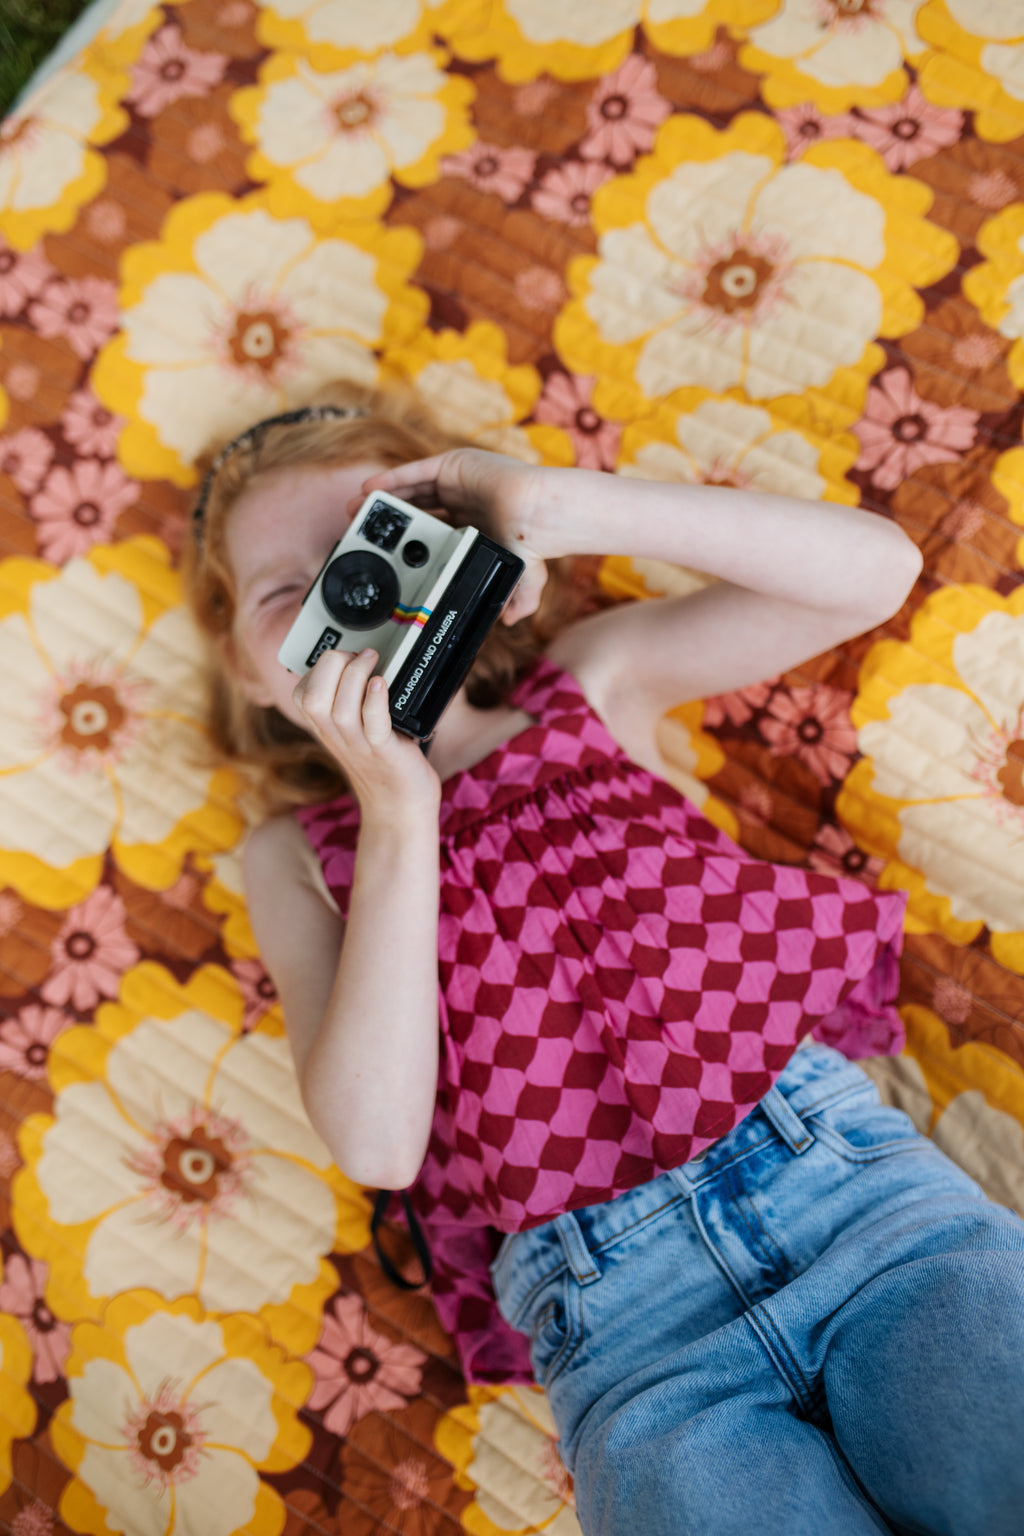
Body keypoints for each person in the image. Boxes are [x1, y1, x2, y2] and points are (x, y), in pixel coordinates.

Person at [185, 381, 1024, 1536]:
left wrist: (553, 505)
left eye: (375, 554)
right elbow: (378, 1142)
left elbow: (874, 573)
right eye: (294, 593)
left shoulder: (587, 684)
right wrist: (395, 809)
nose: (352, 598)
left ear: (465, 562)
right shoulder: (299, 853)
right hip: (626, 1337)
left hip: (853, 1203)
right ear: (241, 669)